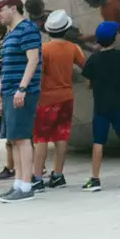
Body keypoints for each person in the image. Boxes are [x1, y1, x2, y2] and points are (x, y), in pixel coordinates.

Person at [0, 0, 42, 202]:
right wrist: (0, 94)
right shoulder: (11, 34)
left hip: (22, 92)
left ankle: (26, 185)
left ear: (13, 8)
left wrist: (22, 88)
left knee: (22, 138)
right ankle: (18, 183)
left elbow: (33, 59)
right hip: (10, 91)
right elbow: (6, 67)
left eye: (1, 10)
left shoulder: (27, 29)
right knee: (14, 139)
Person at [32, 12, 86, 189]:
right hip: (66, 96)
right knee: (61, 136)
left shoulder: (44, 49)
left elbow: (39, 75)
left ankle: (37, 177)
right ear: (66, 29)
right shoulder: (73, 48)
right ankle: (58, 175)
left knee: (40, 138)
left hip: (47, 98)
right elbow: (85, 67)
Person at [79, 22, 120, 190]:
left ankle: (95, 179)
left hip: (102, 106)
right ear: (115, 38)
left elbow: (88, 84)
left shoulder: (93, 60)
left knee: (98, 141)